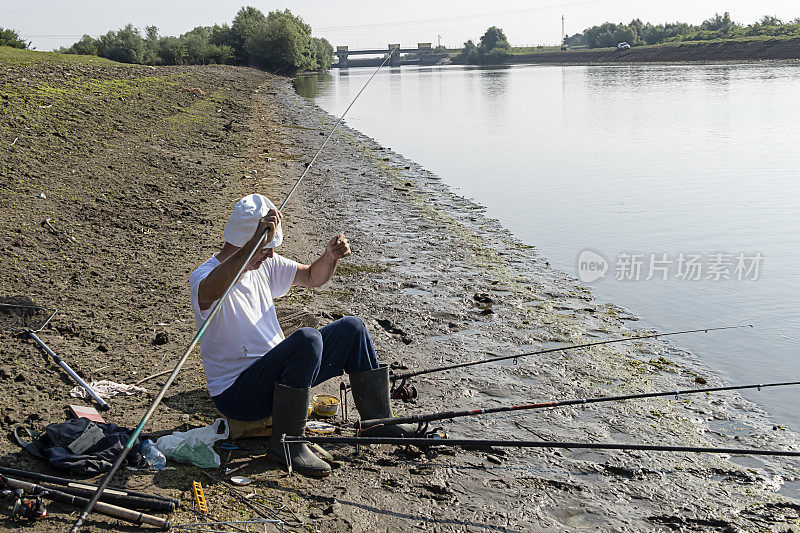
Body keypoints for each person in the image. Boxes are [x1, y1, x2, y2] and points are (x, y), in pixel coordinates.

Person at [189, 194, 413, 477]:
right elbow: (210, 290)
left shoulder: (264, 264)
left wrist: (329, 257)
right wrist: (252, 246)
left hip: (278, 379)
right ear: (247, 241)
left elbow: (310, 277)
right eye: (265, 246)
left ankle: (379, 422)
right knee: (307, 339)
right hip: (238, 394)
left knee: (352, 328)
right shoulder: (204, 276)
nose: (270, 253)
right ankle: (287, 445)